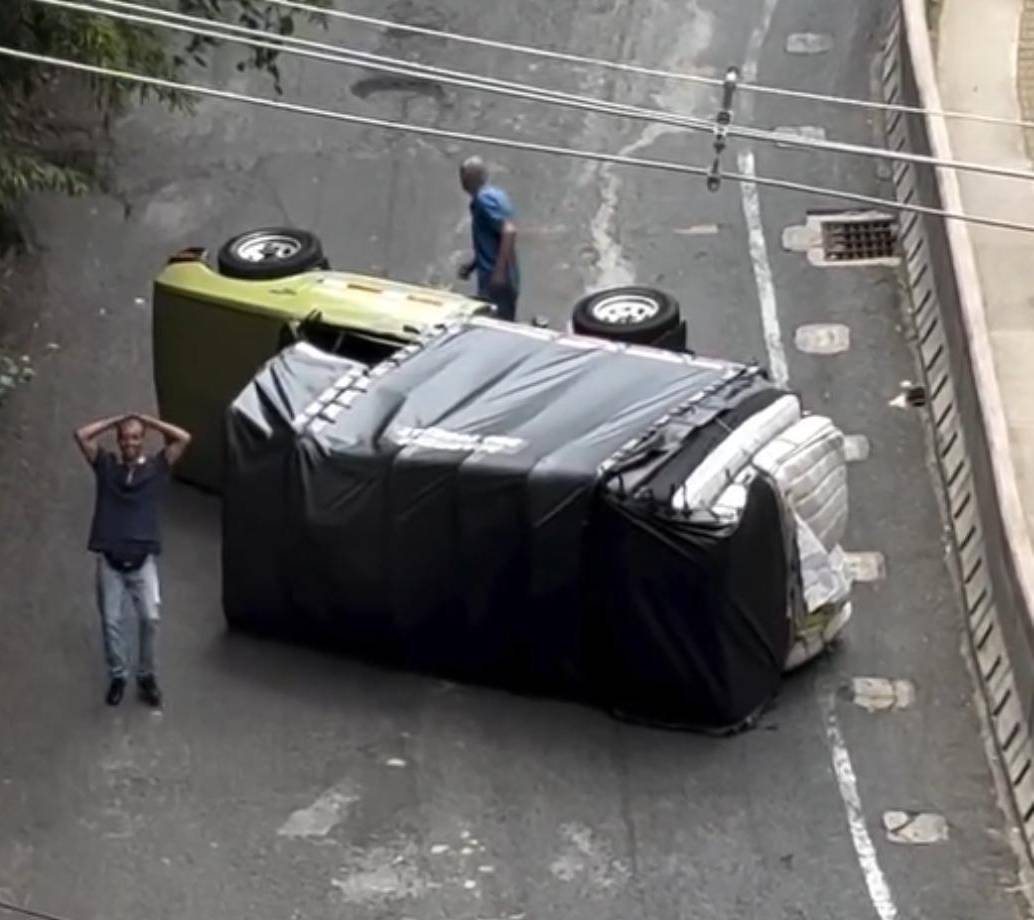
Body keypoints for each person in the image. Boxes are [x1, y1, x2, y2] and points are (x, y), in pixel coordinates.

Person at [74, 413, 191, 708]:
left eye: (136, 437)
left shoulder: (156, 468)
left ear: (143, 440)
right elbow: (82, 435)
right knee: (111, 622)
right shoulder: (106, 466)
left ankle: (146, 675)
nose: (130, 442)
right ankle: (118, 675)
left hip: (142, 561)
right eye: (125, 437)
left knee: (150, 618)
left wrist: (147, 420)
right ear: (118, 439)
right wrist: (117, 420)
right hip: (111, 561)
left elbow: (184, 438)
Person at [457, 156, 520, 321]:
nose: (461, 180)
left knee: (496, 325)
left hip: (496, 280)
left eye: (463, 175)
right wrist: (472, 265)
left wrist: (498, 274)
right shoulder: (495, 194)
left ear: (470, 178)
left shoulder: (483, 199)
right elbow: (493, 238)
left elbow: (509, 231)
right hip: (501, 277)